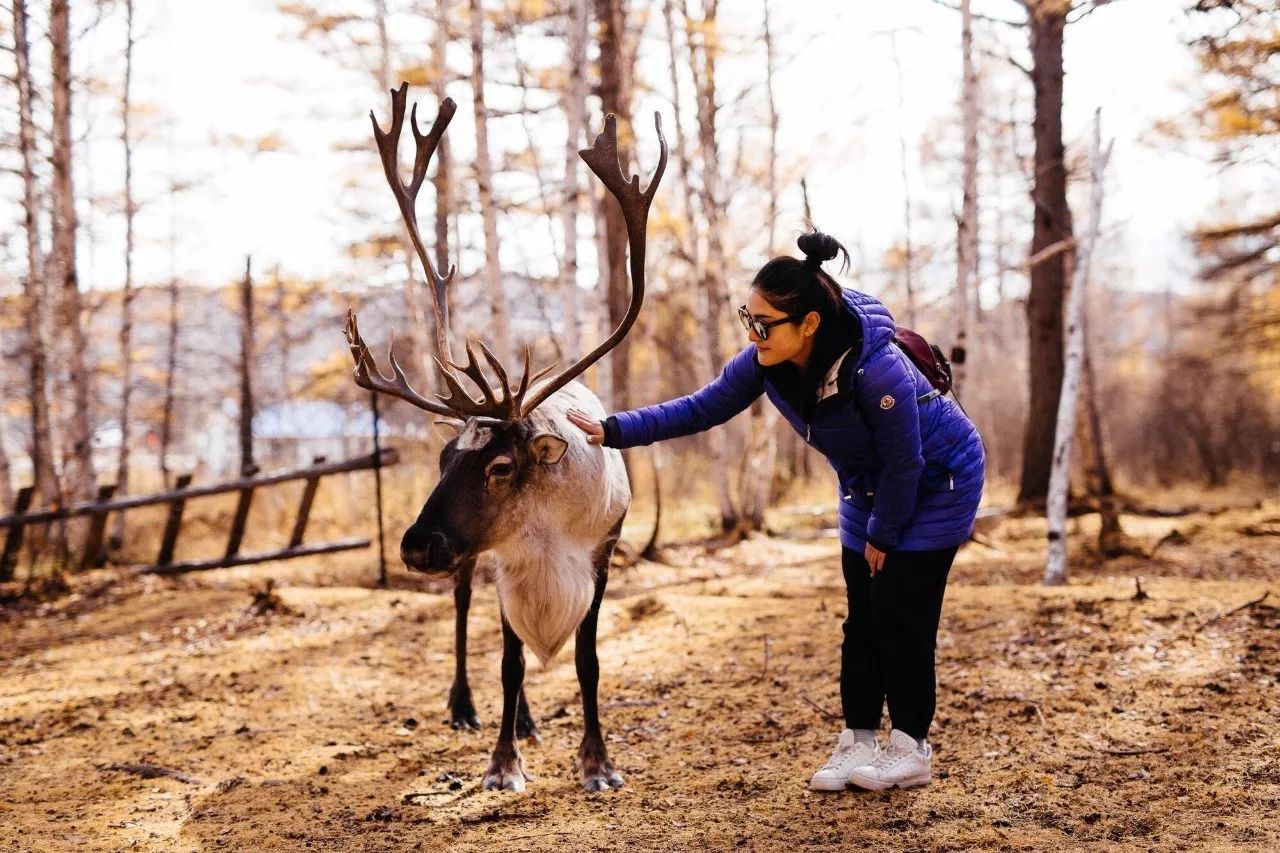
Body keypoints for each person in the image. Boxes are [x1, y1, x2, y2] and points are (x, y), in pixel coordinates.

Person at [567, 229, 985, 792]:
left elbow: (906, 463)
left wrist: (883, 535)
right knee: (861, 618)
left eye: (764, 323)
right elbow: (701, 408)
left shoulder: (875, 369)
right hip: (866, 486)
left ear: (808, 324)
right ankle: (858, 741)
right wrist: (613, 430)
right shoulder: (765, 362)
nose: (753, 332)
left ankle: (910, 748)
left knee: (900, 618)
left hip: (938, 482)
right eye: (748, 317)